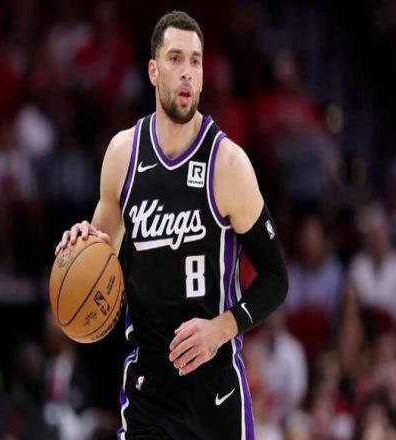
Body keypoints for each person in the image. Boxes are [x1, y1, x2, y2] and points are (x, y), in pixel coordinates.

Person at [55, 10, 288, 440]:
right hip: (149, 392)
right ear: (153, 70)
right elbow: (99, 256)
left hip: (215, 393)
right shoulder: (122, 155)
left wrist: (221, 328)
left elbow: (276, 277)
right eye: (175, 59)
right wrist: (79, 244)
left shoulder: (228, 164)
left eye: (195, 61)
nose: (186, 72)